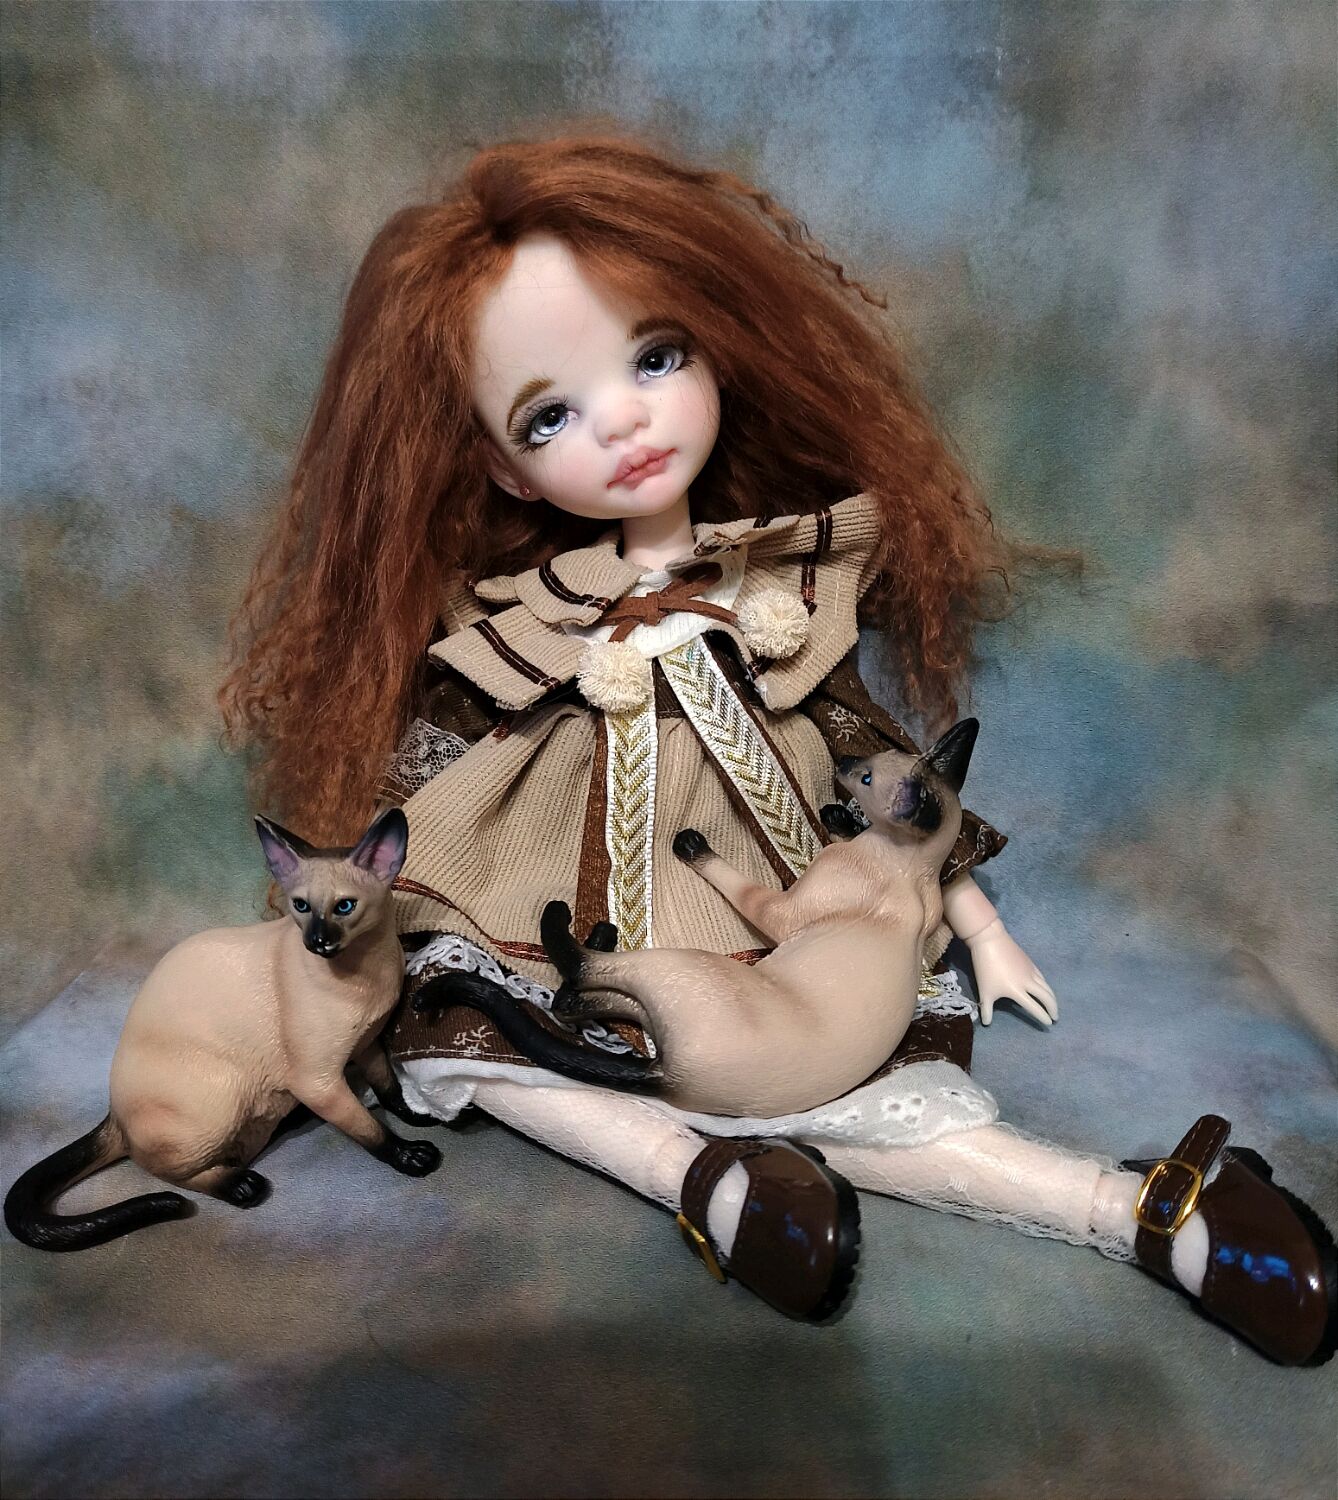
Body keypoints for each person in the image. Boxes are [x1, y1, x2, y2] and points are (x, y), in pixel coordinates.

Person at [222, 135, 1334, 1363]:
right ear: (501, 466)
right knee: (475, 1047)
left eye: (655, 357)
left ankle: (1142, 1213)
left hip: (775, 920)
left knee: (849, 1077)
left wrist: (979, 924)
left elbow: (880, 760)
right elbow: (432, 779)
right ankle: (706, 1182)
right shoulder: (526, 623)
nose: (625, 419)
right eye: (551, 414)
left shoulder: (774, 592)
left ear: (717, 349)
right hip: (568, 925)